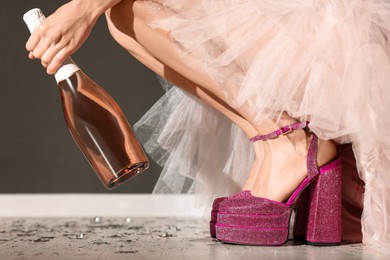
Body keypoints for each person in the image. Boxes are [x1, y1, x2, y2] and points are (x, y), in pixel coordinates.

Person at [26, 0, 388, 250]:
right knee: (122, 17)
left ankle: (291, 142)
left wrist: (82, 7)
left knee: (123, 9)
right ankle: (271, 138)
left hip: (327, 32)